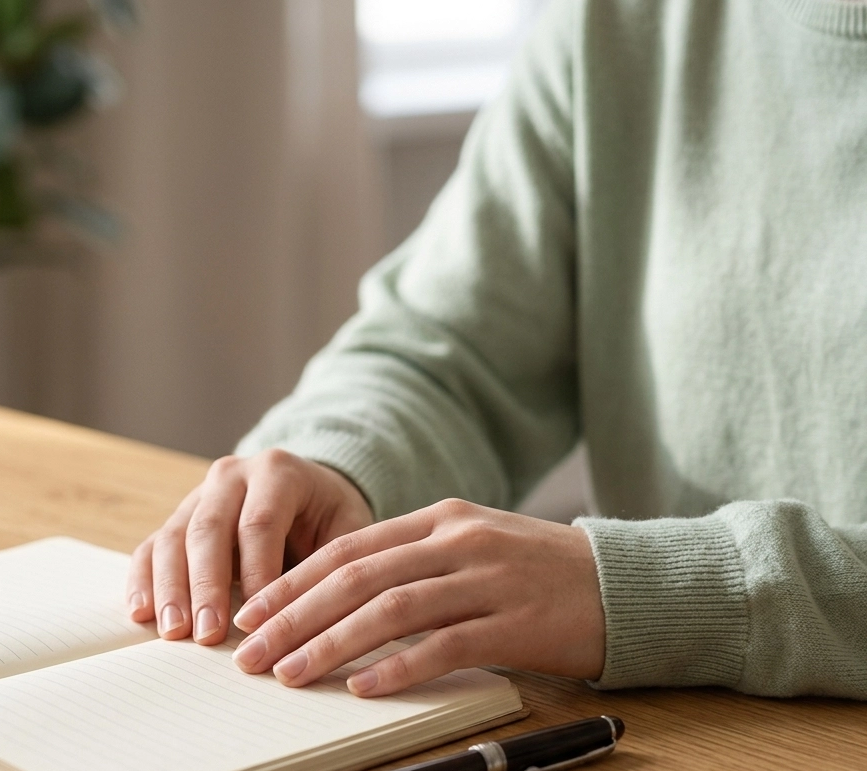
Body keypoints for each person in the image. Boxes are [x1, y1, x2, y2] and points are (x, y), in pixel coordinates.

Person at [127, 0, 867, 701]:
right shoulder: (616, 24)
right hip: (672, 746)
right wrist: (335, 463)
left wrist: (641, 590)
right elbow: (449, 353)